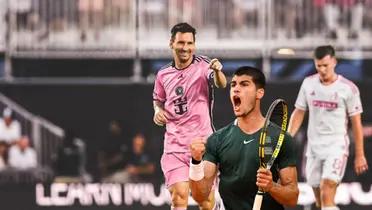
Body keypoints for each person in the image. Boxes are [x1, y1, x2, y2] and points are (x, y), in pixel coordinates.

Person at [189, 66, 299, 210]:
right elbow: (200, 196)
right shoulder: (217, 139)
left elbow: (292, 198)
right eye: (233, 85)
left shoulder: (281, 138)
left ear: (259, 93)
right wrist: (195, 162)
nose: (236, 89)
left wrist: (271, 186)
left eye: (244, 84)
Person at [152, 22, 227, 210]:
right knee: (179, 198)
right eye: (181, 43)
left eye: (189, 43)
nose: (185, 48)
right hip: (175, 147)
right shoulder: (162, 75)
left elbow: (221, 84)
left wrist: (218, 71)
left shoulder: (204, 65)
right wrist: (157, 111)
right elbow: (158, 100)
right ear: (172, 43)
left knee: (206, 202)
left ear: (194, 45)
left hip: (204, 145)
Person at [288, 45, 368, 210]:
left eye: (326, 65)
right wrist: (288, 137)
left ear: (334, 62)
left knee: (327, 189)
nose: (322, 69)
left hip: (336, 146)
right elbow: (299, 111)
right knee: (319, 200)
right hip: (313, 148)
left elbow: (356, 124)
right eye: (319, 66)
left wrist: (360, 155)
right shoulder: (308, 84)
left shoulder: (348, 89)